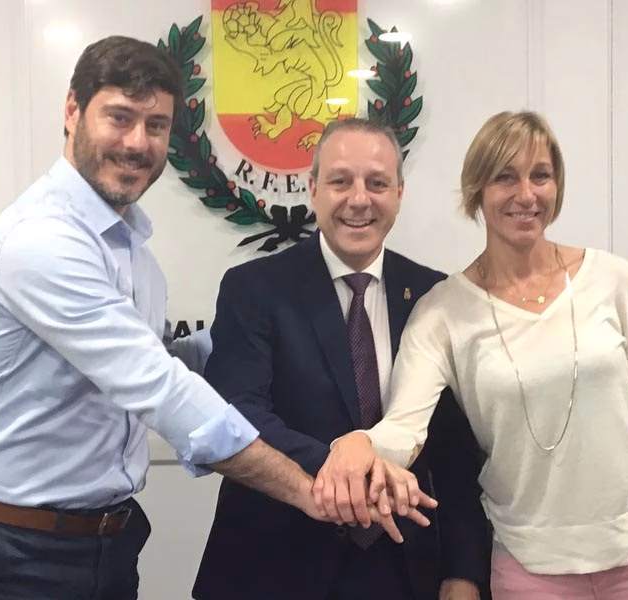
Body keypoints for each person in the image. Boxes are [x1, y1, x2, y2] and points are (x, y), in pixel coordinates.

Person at [0, 36, 413, 600]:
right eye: (120, 117)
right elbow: (159, 389)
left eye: (156, 124)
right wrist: (312, 489)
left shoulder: (132, 250)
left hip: (105, 543)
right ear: (72, 111)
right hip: (8, 554)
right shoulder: (42, 240)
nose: (138, 142)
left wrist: (257, 325)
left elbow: (162, 358)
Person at [314, 111, 628, 600]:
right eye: (505, 177)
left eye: (540, 175)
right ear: (477, 190)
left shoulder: (611, 278)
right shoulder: (441, 312)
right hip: (530, 569)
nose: (526, 194)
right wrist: (358, 444)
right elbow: (404, 430)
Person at [193, 118, 492, 600]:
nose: (359, 199)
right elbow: (240, 413)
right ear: (313, 190)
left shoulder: (434, 296)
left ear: (399, 194)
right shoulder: (254, 289)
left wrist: (464, 571)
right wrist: (350, 466)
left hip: (402, 569)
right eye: (340, 181)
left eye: (377, 183)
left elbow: (454, 451)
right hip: (273, 568)